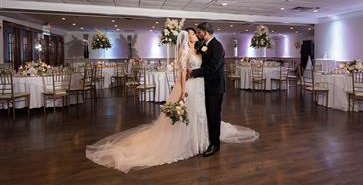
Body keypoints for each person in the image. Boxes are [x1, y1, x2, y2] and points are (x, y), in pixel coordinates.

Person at [86, 28, 258, 173]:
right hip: (191, 86)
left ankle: (203, 140)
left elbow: (209, 67)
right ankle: (191, 142)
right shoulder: (184, 51)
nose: (193, 35)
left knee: (202, 113)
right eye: (191, 33)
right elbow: (182, 73)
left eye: (195, 33)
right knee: (191, 113)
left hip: (202, 87)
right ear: (186, 37)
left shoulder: (201, 49)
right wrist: (182, 91)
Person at [188, 22, 225, 157]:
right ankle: (208, 139)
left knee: (214, 117)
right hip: (205, 87)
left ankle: (215, 144)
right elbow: (200, 49)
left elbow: (213, 69)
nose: (197, 34)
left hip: (215, 88)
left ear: (205, 32)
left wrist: (194, 73)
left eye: (199, 32)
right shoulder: (206, 44)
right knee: (208, 115)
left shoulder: (217, 47)